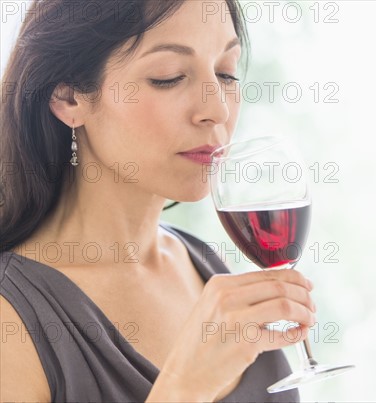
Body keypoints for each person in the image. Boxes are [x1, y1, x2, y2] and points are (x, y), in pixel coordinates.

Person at [0, 1, 316, 401]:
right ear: (68, 96)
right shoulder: (12, 318)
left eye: (226, 72)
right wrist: (184, 389)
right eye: (169, 78)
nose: (216, 109)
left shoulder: (203, 264)